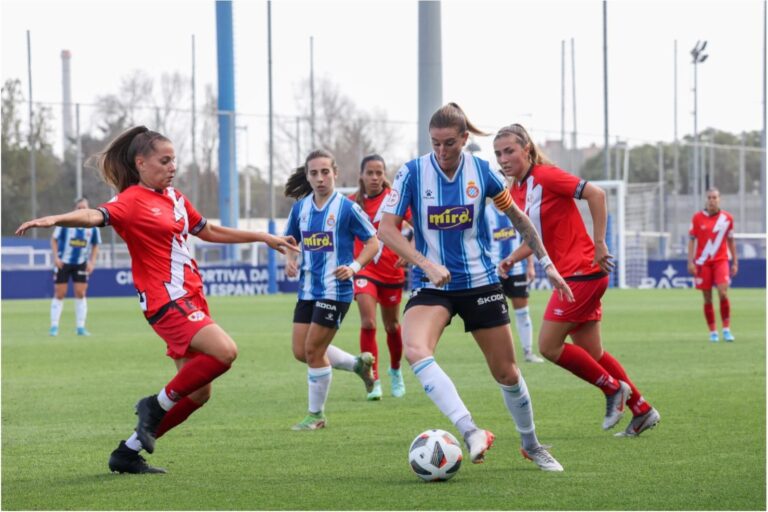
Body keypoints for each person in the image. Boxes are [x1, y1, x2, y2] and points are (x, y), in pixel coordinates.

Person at [16, 126, 299, 474]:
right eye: (164, 161)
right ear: (141, 163)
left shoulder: (176, 198)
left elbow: (207, 230)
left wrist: (262, 236)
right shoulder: (131, 200)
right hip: (165, 300)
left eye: (174, 160)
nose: (172, 166)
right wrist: (58, 218)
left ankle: (127, 452)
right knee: (225, 352)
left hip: (191, 298)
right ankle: (153, 405)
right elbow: (96, 216)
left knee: (199, 394)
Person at [378, 103, 573, 472]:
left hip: (480, 281)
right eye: (434, 143)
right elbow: (386, 229)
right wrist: (425, 263)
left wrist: (547, 264)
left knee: (507, 373)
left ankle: (531, 445)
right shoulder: (412, 173)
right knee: (415, 349)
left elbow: (519, 220)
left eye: (449, 143)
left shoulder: (483, 173)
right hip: (432, 283)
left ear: (464, 139)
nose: (441, 151)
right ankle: (470, 431)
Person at [494, 123, 661, 438]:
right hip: (575, 274)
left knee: (548, 346)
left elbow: (596, 194)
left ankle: (613, 390)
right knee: (592, 352)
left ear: (526, 149)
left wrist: (600, 242)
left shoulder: (546, 176)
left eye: (510, 151)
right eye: (499, 153)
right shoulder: (516, 190)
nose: (503, 158)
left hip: (581, 272)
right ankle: (642, 409)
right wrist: (513, 258)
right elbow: (536, 237)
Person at [284, 149, 380, 430]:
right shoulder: (300, 209)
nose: (320, 178)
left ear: (335, 173)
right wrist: (290, 259)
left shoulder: (347, 208)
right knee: (301, 351)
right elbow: (290, 240)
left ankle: (317, 415)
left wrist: (354, 266)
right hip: (308, 289)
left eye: (325, 172)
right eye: (313, 173)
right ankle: (356, 365)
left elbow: (373, 242)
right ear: (307, 176)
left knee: (314, 351)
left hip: (335, 290)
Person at [349, 154, 412, 400]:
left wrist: (411, 250)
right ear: (361, 176)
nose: (375, 177)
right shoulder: (351, 203)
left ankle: (395, 371)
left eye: (379, 173)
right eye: (370, 173)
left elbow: (419, 224)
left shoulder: (394, 200)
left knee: (392, 326)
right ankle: (372, 379)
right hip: (364, 270)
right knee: (368, 323)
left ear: (384, 175)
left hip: (392, 271)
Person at [483, 199, 544, 363]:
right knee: (495, 316)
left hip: (517, 270)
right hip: (494, 272)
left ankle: (528, 352)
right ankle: (498, 356)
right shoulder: (485, 213)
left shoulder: (516, 211)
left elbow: (527, 239)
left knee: (523, 312)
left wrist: (530, 266)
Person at [687, 187, 738, 342]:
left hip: (721, 260)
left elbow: (731, 241)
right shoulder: (697, 218)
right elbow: (691, 240)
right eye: (709, 197)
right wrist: (690, 261)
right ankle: (713, 332)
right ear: (706, 199)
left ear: (719, 199)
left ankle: (726, 329)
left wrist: (735, 261)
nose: (711, 200)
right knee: (707, 297)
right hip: (703, 262)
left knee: (723, 292)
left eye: (714, 197)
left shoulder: (727, 219)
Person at [49, 197, 101, 336]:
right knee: (60, 293)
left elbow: (96, 244)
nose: (82, 210)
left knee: (81, 293)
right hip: (63, 262)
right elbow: (54, 239)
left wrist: (92, 262)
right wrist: (56, 258)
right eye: (79, 208)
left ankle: (80, 327)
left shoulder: (93, 227)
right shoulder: (66, 223)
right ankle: (54, 327)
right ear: (75, 209)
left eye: (84, 207)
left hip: (81, 263)